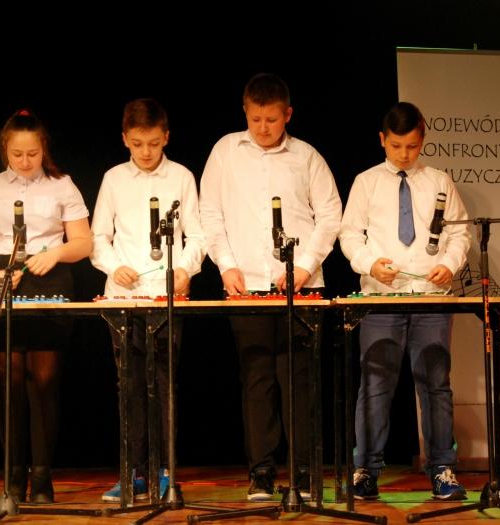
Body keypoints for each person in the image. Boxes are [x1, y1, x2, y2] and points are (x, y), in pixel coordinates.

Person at [200, 73, 342, 501]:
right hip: (246, 286)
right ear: (245, 111)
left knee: (299, 380)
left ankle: (304, 472)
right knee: (257, 379)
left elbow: (330, 215)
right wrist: (226, 265)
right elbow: (211, 215)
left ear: (288, 114)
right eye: (256, 119)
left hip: (301, 288)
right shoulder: (226, 151)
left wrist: (306, 267)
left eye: (272, 120)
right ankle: (261, 471)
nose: (263, 128)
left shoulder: (307, 157)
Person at [339, 101, 470, 501]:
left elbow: (460, 233)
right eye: (396, 146)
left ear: (422, 140)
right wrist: (369, 264)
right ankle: (366, 470)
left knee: (435, 384)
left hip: (431, 298)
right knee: (375, 384)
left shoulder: (439, 181)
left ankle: (442, 467)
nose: (404, 154)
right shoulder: (366, 182)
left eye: (412, 146)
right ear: (383, 140)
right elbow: (349, 234)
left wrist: (449, 264)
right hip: (381, 299)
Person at [0, 109, 92, 504]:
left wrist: (55, 253)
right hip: (2, 277)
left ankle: (42, 474)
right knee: (9, 379)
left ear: (43, 149)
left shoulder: (62, 185)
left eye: (32, 154)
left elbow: (83, 242)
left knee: (46, 379)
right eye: (17, 154)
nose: (24, 161)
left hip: (48, 275)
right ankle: (13, 474)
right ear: (5, 149)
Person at [91, 98, 206, 502]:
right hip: (123, 297)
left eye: (154, 143)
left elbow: (198, 235)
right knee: (130, 387)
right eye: (138, 143)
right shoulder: (113, 179)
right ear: (125, 138)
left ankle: (164, 471)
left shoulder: (181, 177)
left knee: (163, 385)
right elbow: (98, 237)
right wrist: (114, 266)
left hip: (164, 296)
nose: (146, 152)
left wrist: (184, 269)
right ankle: (132, 472)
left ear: (166, 138)